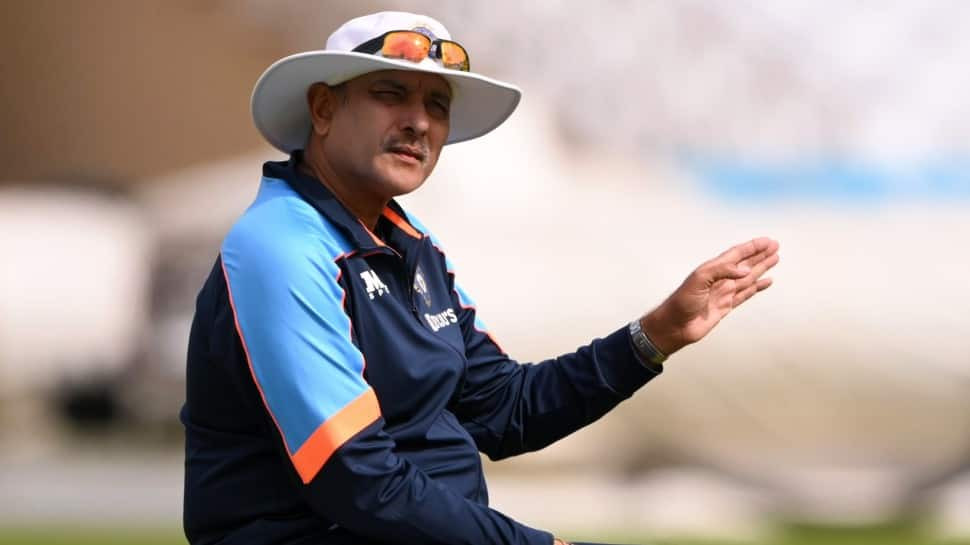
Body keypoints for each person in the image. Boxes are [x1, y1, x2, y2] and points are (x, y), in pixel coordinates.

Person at [181, 10, 780, 545]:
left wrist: (656, 336)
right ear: (323, 107)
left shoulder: (411, 246)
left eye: (436, 106)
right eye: (391, 93)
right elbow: (357, 480)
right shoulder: (280, 246)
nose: (419, 122)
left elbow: (504, 409)